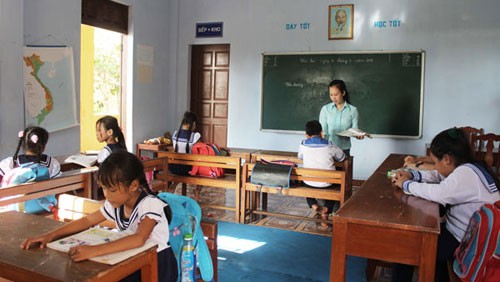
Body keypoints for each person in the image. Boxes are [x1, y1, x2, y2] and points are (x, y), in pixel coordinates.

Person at [20, 150, 178, 282]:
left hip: (157, 265)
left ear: (134, 185)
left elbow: (139, 238)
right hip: (134, 259)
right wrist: (50, 235)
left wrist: (94, 251)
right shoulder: (116, 203)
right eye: (104, 188)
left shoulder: (150, 204)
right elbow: (88, 220)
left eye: (112, 190)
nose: (107, 195)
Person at [391, 127, 500, 282]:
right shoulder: (469, 168)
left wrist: (406, 184)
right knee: (417, 238)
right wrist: (412, 174)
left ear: (447, 159)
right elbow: (437, 176)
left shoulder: (465, 174)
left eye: (436, 162)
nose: (435, 166)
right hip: (464, 236)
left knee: (405, 248)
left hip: (465, 242)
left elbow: (439, 194)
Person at [298, 120, 346, 230]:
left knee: (306, 184)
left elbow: (300, 157)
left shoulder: (303, 144)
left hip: (309, 182)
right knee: (335, 187)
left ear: (306, 134)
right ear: (321, 132)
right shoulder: (329, 144)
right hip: (327, 183)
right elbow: (342, 157)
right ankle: (327, 210)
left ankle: (313, 204)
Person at [319, 79, 363, 156]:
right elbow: (323, 131)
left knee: (344, 167)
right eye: (331, 95)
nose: (333, 98)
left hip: (344, 149)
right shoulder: (325, 109)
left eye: (336, 94)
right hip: (328, 148)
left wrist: (358, 135)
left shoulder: (353, 110)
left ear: (343, 93)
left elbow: (355, 129)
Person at [169, 111, 202, 197]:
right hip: (188, 169)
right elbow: (201, 151)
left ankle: (173, 187)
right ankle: (197, 191)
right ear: (193, 123)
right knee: (201, 168)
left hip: (174, 168)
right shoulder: (195, 136)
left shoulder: (175, 134)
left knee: (180, 168)